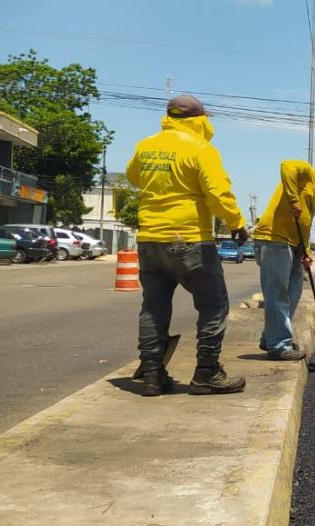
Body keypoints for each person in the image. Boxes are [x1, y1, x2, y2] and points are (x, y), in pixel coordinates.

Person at [126, 94, 249, 396]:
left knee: (153, 308)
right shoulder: (201, 148)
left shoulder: (146, 145)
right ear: (200, 119)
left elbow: (133, 177)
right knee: (213, 304)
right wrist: (237, 223)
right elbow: (218, 193)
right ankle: (206, 373)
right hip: (189, 238)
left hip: (150, 240)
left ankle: (153, 376)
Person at [253, 160, 315, 360]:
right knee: (278, 293)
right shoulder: (307, 174)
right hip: (274, 239)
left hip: (292, 244)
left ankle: (271, 337)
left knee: (293, 291)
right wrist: (293, 201)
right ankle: (278, 345)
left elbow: (304, 224)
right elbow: (287, 166)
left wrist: (305, 251)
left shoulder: (314, 196)